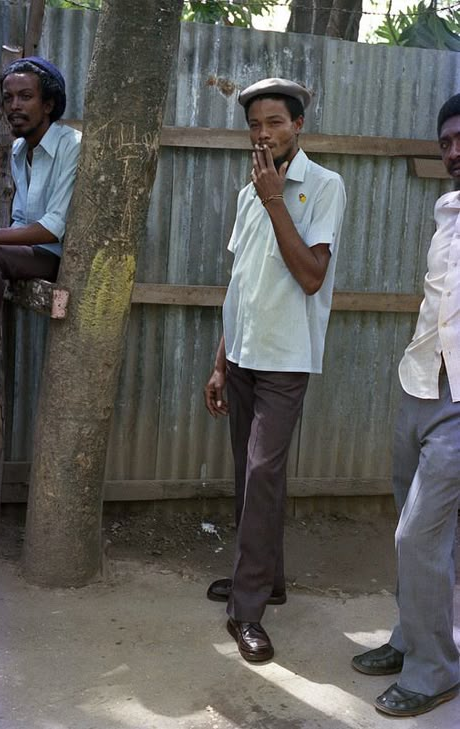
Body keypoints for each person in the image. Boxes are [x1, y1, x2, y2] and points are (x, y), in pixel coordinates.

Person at [204, 78, 346, 662]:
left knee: (263, 475)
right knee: (250, 475)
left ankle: (248, 610)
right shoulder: (247, 195)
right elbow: (241, 287)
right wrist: (219, 363)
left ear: (298, 126)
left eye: (275, 123)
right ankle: (267, 579)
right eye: (255, 125)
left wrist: (274, 198)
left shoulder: (323, 186)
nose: (263, 134)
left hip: (286, 361)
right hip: (242, 356)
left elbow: (310, 275)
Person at [352, 94, 460, 717]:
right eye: (445, 141)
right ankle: (411, 636)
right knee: (416, 529)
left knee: (419, 533)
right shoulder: (446, 210)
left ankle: (435, 669)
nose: (453, 151)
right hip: (420, 383)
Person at [0, 56, 81, 384]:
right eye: (8, 97)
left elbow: (53, 228)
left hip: (58, 257)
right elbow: (20, 219)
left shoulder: (72, 146)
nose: (14, 105)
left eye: (25, 96)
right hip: (30, 252)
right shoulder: (17, 150)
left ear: (49, 104)